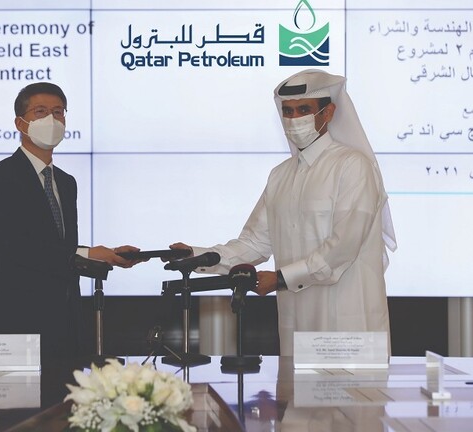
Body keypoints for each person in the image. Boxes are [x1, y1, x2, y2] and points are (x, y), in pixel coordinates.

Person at [169, 69, 396, 356]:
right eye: (287, 111)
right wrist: (196, 257)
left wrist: (280, 280)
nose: (293, 119)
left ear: (327, 113)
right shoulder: (280, 176)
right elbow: (254, 243)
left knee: (353, 388)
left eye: (304, 110)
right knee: (293, 387)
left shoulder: (353, 166)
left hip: (349, 329)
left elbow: (343, 248)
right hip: (297, 328)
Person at [0, 82, 141, 359]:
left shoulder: (66, 182)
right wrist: (89, 254)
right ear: (20, 123)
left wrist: (107, 255)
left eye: (58, 112)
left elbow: (60, 248)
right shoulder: (0, 177)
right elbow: (16, 248)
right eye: (40, 112)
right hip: (18, 320)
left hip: (66, 323)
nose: (51, 120)